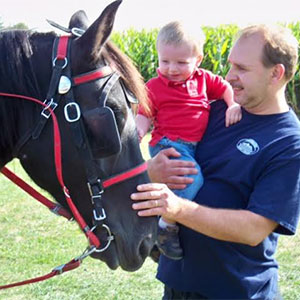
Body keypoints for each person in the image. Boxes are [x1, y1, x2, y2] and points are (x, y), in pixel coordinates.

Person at [131, 24, 300, 300]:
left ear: (276, 73)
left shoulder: (288, 143)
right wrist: (150, 171)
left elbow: (254, 229)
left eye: (242, 69)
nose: (229, 76)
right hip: (178, 285)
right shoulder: (215, 109)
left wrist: (177, 209)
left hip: (237, 291)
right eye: (231, 65)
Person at [136, 21, 242, 260]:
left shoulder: (203, 80)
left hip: (192, 147)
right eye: (165, 61)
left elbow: (225, 88)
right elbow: (144, 114)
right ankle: (165, 226)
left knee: (179, 183)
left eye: (181, 62)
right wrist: (139, 132)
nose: (172, 69)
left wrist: (232, 104)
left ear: (198, 60)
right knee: (192, 179)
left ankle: (154, 222)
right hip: (168, 144)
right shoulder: (154, 86)